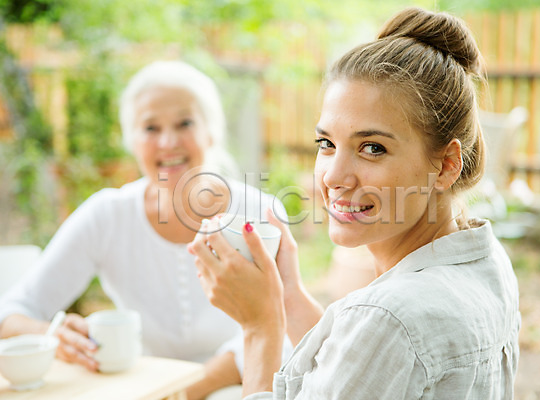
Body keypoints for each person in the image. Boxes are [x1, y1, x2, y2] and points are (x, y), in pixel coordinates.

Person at [189, 7, 520, 399]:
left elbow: (381, 334)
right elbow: (355, 371)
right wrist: (287, 294)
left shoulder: (389, 319)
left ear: (446, 165)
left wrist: (260, 327)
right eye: (327, 143)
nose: (333, 177)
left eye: (372, 148)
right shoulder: (486, 262)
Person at [0, 60, 286, 399]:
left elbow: (283, 324)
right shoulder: (107, 216)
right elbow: (12, 313)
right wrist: (52, 334)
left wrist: (190, 389)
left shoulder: (260, 212)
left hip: (238, 388)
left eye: (185, 123)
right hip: (143, 388)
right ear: (131, 141)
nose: (168, 141)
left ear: (211, 132)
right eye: (150, 128)